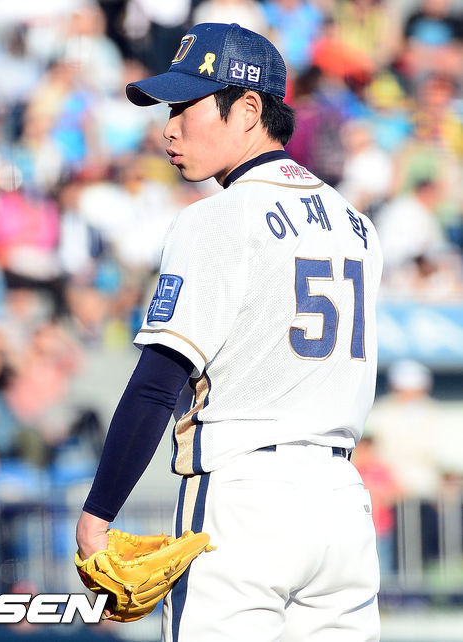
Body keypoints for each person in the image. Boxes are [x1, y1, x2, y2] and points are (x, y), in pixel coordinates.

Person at [76, 22, 383, 641]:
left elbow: (158, 383)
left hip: (243, 499)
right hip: (343, 503)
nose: (169, 127)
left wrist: (98, 514)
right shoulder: (356, 224)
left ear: (247, 110)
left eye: (185, 107)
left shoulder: (217, 218)